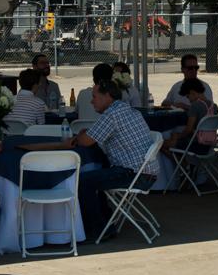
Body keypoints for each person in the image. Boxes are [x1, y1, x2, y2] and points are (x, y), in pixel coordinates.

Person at [65, 77, 159, 237]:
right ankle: (106, 220)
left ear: (107, 96)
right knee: (97, 176)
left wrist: (79, 137)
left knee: (83, 182)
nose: (91, 102)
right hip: (147, 173)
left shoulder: (112, 114)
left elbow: (86, 141)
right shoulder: (126, 109)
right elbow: (94, 136)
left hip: (133, 174)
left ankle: (98, 229)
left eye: (94, 97)